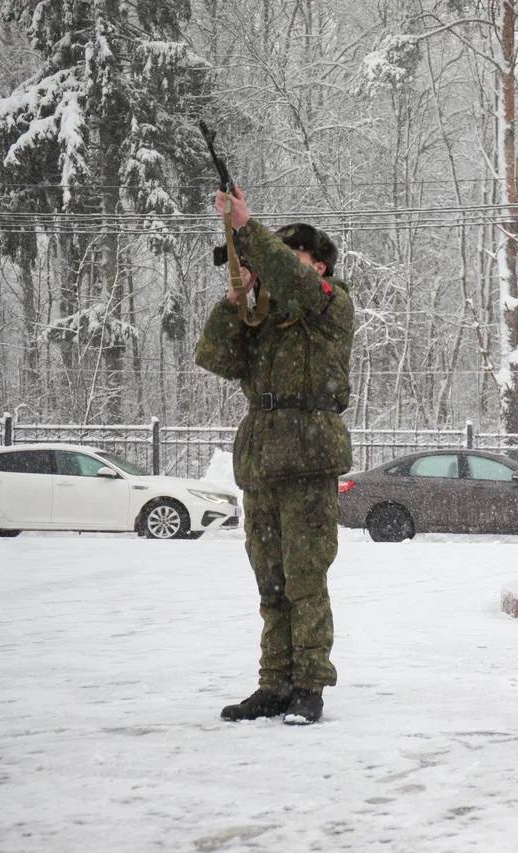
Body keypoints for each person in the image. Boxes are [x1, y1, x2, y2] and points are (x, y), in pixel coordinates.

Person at [195, 187, 354, 726]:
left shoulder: (329, 302)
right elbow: (216, 357)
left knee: (306, 577)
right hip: (262, 456)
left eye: (294, 257)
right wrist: (234, 302)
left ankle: (310, 684)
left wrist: (248, 231)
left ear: (319, 264)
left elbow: (294, 280)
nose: (278, 268)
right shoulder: (262, 315)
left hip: (308, 453)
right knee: (270, 580)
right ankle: (274, 681)